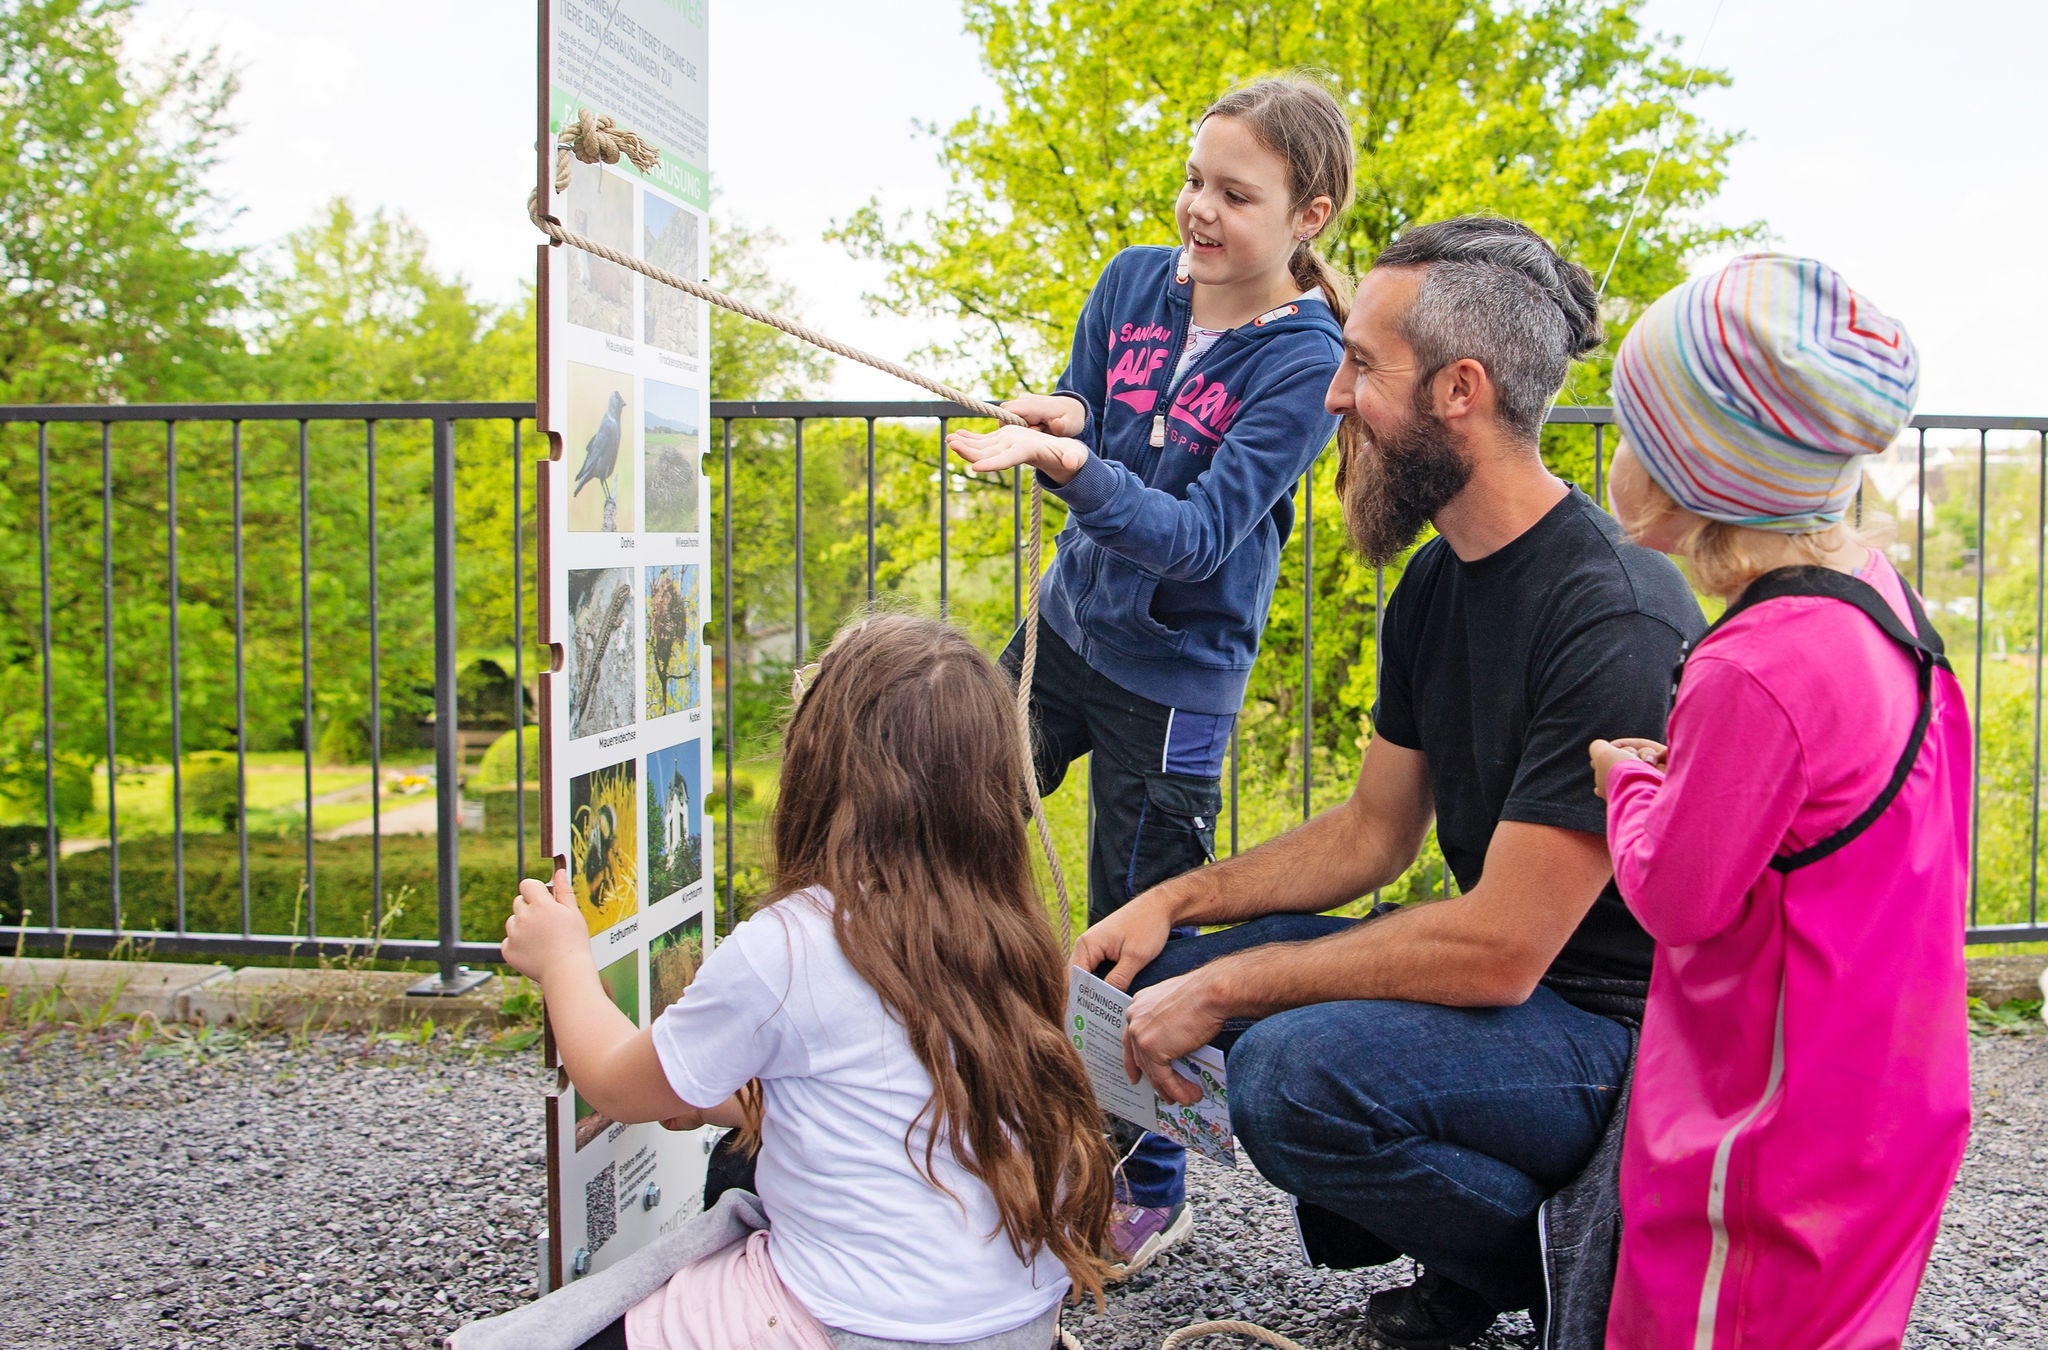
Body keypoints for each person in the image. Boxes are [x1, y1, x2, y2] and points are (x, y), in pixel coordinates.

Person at [1072, 215, 1706, 1349]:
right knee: (1144, 971)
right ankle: (1475, 1256)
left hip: (1610, 1030)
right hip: (1504, 986)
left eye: (1360, 364)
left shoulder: (1609, 607)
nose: (1330, 397)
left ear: (1458, 390)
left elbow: (1503, 948)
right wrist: (1172, 903)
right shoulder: (1431, 583)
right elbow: (1372, 836)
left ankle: (1551, 1269)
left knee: (1287, 1073)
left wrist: (1240, 987)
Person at [942, 74, 1351, 1269]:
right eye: (1192, 180)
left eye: (1235, 194)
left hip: (1170, 687)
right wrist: (1053, 416)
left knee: (1134, 939)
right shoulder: (1129, 280)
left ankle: (1146, 1175)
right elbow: (1100, 413)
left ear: (1307, 216)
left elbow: (1196, 534)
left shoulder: (1306, 364)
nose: (1198, 210)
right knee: (947, 806)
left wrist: (1060, 470)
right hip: (1062, 635)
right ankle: (962, 1077)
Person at [466, 615, 1113, 1350]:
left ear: (823, 759)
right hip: (1011, 1328)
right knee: (733, 1163)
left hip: (863, 1331)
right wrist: (724, 1102)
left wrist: (563, 963)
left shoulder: (793, 944)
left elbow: (613, 1084)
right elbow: (894, 1090)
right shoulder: (1009, 933)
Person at [1591, 254, 1971, 1349]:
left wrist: (1631, 785)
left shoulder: (1753, 665)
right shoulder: (1879, 606)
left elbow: (1674, 894)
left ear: (1688, 472)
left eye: (1631, 431)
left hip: (1764, 1146)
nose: (1614, 457)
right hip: (1888, 1107)